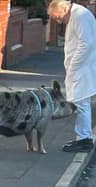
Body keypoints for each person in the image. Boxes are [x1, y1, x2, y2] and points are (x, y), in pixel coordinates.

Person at [47, 0, 96, 152]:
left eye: (58, 17)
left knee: (81, 103)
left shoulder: (80, 15)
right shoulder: (75, 15)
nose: (58, 21)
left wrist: (73, 66)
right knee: (80, 102)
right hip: (80, 68)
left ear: (64, 8)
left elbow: (86, 44)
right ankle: (82, 137)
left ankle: (84, 139)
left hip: (82, 68)